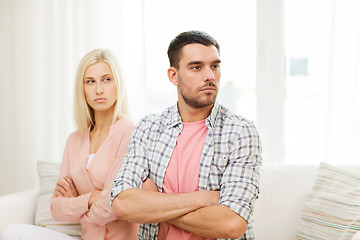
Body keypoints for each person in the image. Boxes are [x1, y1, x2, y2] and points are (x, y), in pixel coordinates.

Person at [110, 31, 262, 240]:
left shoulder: (240, 132)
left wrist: (154, 204)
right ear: (174, 76)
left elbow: (232, 223)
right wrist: (203, 199)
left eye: (215, 66)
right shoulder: (149, 128)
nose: (209, 76)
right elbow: (121, 203)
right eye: (196, 67)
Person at [0, 49, 138, 240]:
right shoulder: (75, 139)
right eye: (90, 81)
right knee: (10, 232)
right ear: (82, 88)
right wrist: (91, 198)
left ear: (118, 84)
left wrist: (75, 202)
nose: (99, 89)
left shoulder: (129, 132)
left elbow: (113, 206)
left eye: (106, 79)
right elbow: (56, 208)